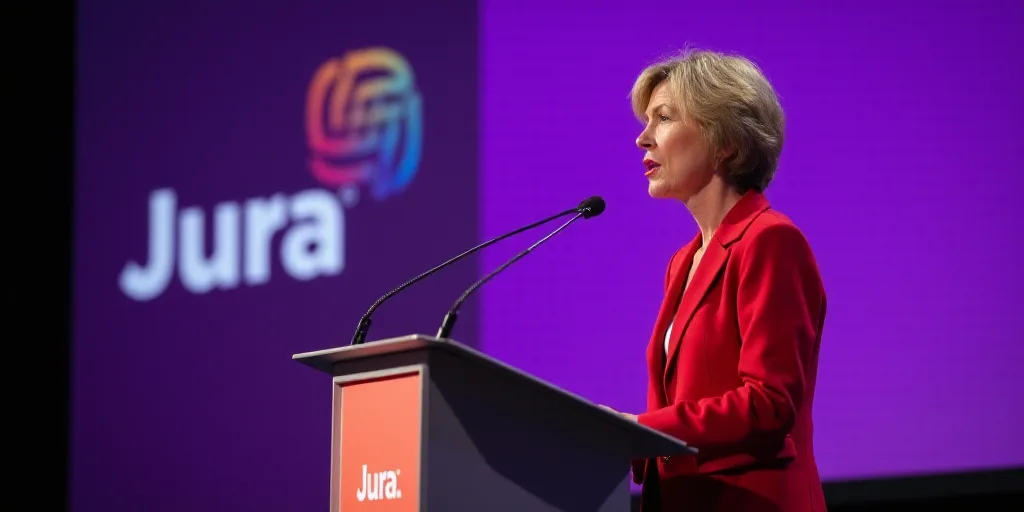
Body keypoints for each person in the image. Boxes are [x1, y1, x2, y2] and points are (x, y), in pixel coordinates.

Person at [601, 50, 828, 511]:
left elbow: (770, 403)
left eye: (663, 118)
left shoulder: (770, 241)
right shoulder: (682, 263)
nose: (643, 138)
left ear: (725, 142)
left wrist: (642, 429)